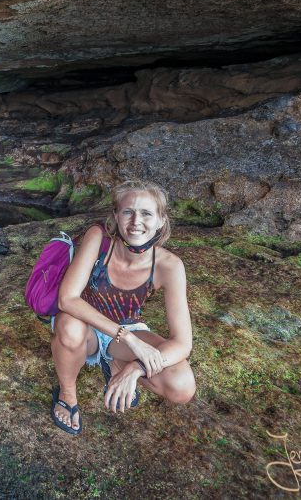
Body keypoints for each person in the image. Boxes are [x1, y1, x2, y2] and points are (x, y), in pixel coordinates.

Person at [49, 179, 196, 435]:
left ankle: (116, 363)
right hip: (86, 327)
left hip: (127, 331)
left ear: (161, 220)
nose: (135, 221)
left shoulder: (169, 266)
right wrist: (128, 338)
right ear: (116, 216)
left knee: (182, 385)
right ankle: (67, 393)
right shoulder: (99, 238)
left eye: (147, 213)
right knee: (69, 325)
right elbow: (68, 300)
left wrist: (136, 367)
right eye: (128, 211)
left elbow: (182, 343)